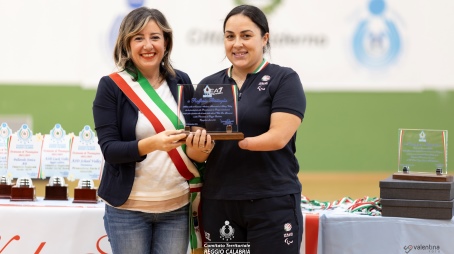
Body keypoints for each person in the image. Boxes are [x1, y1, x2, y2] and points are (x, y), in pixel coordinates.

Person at [92, 7, 211, 254]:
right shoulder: (111, 86)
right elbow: (110, 150)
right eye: (139, 38)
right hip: (127, 210)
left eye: (155, 37)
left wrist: (202, 148)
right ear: (127, 44)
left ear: (166, 43)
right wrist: (152, 144)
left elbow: (192, 146)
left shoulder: (182, 82)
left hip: (176, 208)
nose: (148, 45)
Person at [196, 4, 307, 253]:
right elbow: (196, 153)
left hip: (272, 201)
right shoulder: (207, 85)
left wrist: (236, 140)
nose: (237, 44)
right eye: (230, 36)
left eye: (246, 36)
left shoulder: (284, 79)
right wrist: (196, 146)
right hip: (220, 201)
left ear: (264, 38)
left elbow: (278, 138)